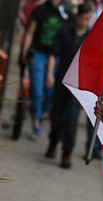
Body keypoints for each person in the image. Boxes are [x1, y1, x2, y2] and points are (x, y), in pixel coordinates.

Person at [44, 2, 93, 168]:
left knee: (71, 118)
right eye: (84, 18)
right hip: (61, 82)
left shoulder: (91, 38)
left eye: (89, 18)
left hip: (78, 86)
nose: (86, 22)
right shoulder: (65, 32)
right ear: (78, 17)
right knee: (57, 116)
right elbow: (53, 54)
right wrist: (50, 73)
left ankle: (67, 152)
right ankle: (53, 142)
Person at [21, 0, 72, 140]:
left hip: (56, 59)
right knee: (36, 90)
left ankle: (42, 112)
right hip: (38, 54)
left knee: (50, 93)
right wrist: (25, 52)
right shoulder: (40, 10)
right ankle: (36, 122)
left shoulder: (66, 13)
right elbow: (30, 32)